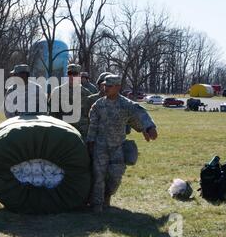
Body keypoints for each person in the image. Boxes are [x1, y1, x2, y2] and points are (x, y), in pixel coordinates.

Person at [87, 74, 158, 213]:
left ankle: (107, 195)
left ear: (118, 87)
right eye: (105, 85)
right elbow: (93, 125)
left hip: (117, 147)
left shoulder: (126, 104)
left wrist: (148, 127)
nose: (105, 88)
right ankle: (97, 206)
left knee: (115, 176)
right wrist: (90, 142)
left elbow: (139, 114)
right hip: (100, 146)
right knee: (98, 176)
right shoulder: (99, 105)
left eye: (109, 86)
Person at [49, 64, 92, 140]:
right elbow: (52, 115)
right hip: (63, 132)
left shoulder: (87, 93)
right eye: (69, 74)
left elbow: (90, 116)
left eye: (75, 74)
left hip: (81, 134)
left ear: (79, 76)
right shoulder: (57, 91)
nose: (72, 77)